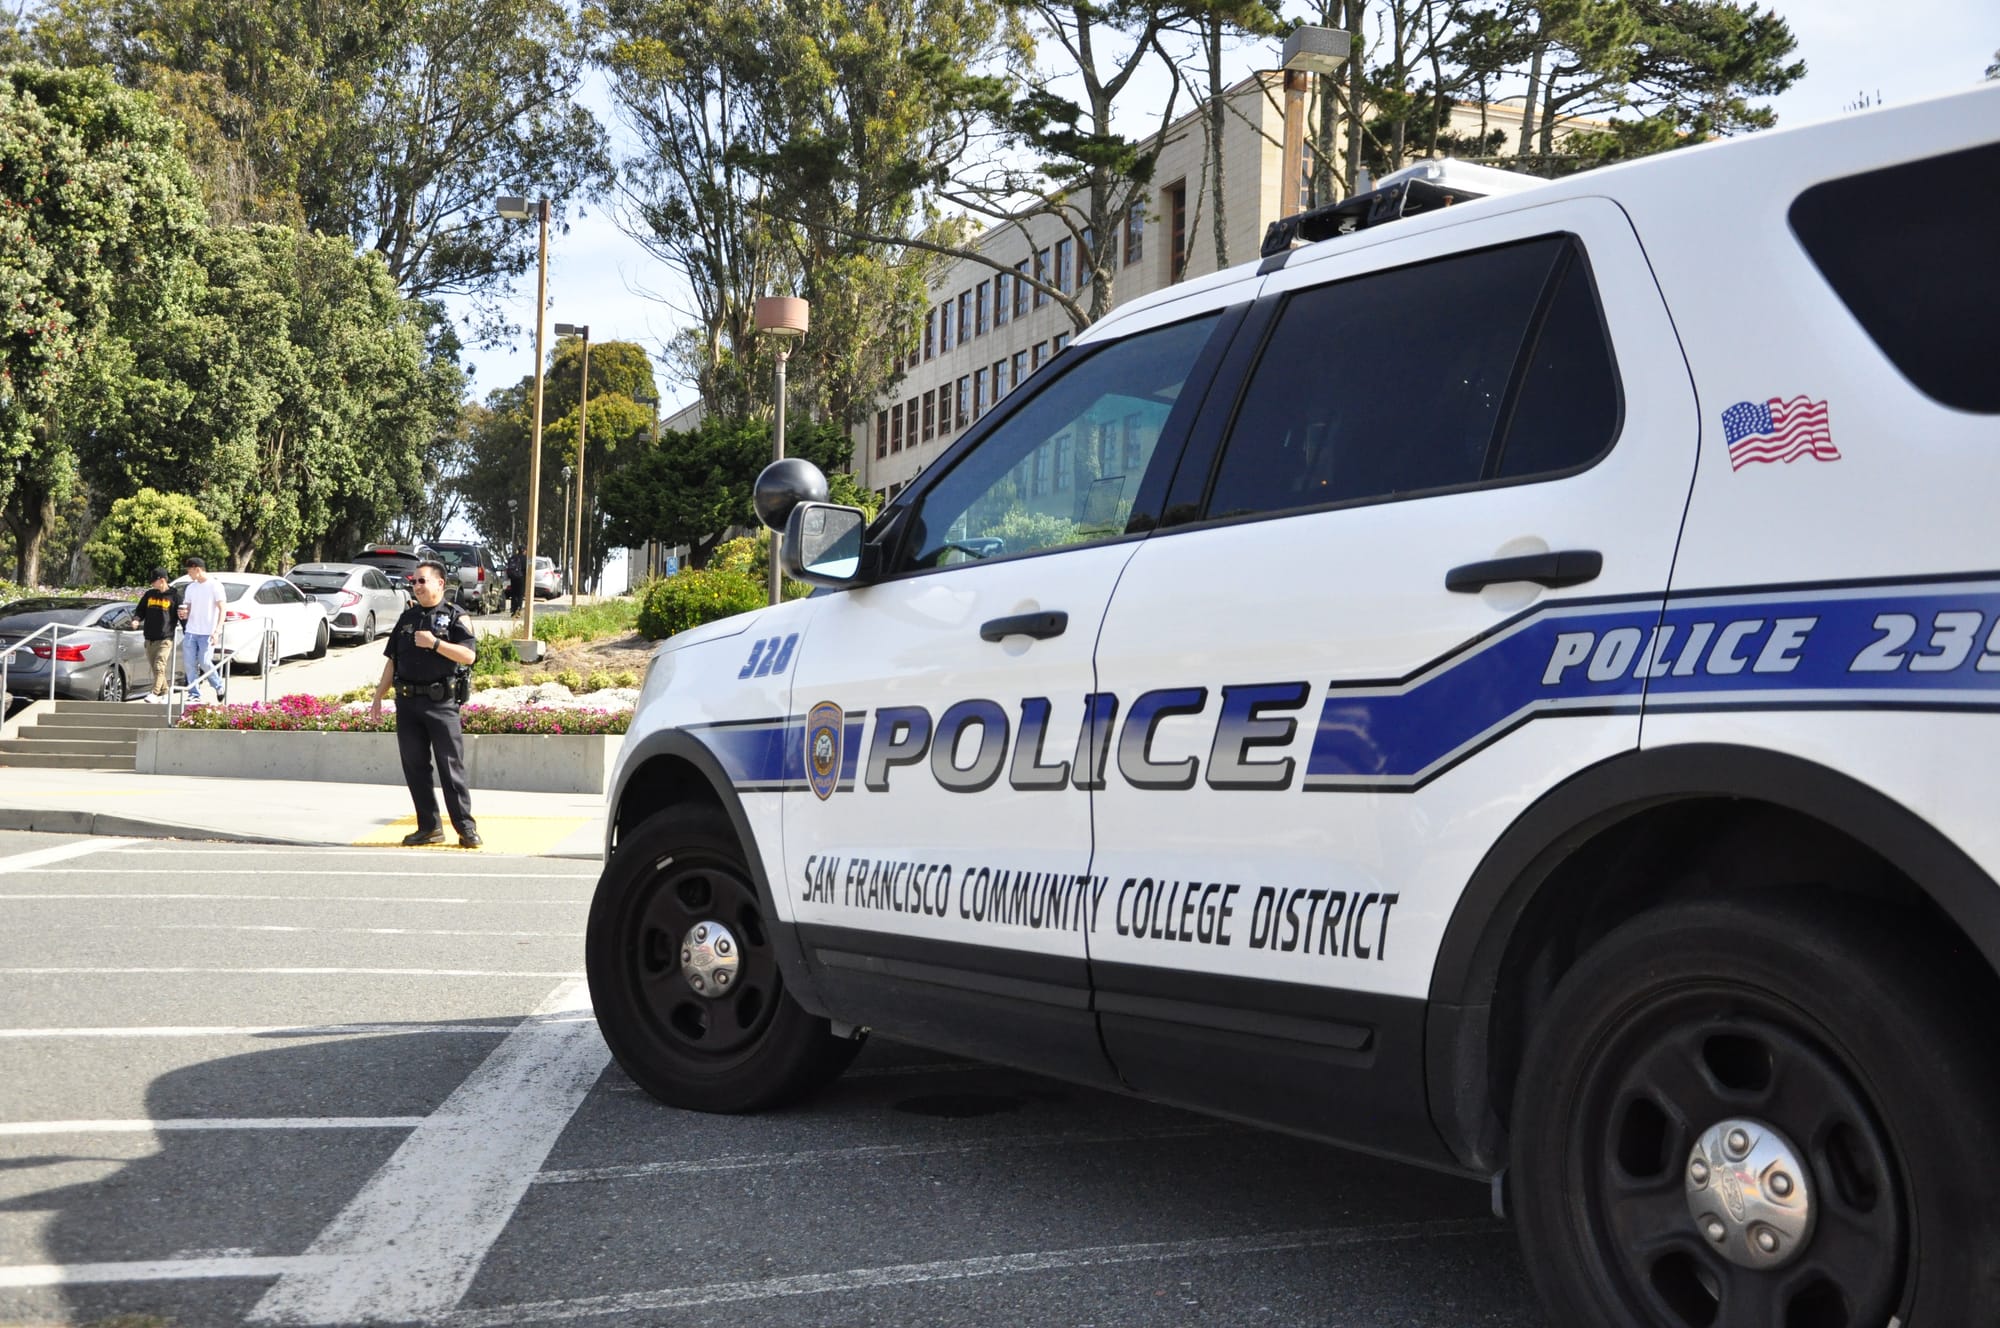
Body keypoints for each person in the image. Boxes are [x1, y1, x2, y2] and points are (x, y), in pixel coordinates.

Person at [370, 558, 480, 848]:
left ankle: (465, 828)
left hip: (441, 704)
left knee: (450, 769)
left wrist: (434, 643)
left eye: (422, 580)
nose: (416, 586)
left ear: (439, 583)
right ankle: (429, 827)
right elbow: (393, 661)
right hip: (407, 705)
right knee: (415, 768)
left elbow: (468, 656)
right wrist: (378, 698)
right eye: (413, 581)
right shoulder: (407, 618)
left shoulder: (456, 616)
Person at [176, 555, 227, 703]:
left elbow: (222, 608)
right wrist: (184, 613)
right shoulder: (191, 587)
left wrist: (217, 630)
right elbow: (188, 607)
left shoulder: (215, 585)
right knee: (189, 663)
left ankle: (218, 685)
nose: (188, 574)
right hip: (192, 630)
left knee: (204, 661)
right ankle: (194, 693)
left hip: (208, 632)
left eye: (190, 571)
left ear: (197, 570)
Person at [135, 568, 179, 702]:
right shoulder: (149, 595)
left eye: (154, 581)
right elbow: (140, 610)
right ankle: (166, 693)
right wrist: (136, 619)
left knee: (159, 666)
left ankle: (154, 693)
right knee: (156, 669)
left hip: (165, 638)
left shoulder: (175, 597)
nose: (152, 584)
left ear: (162, 580)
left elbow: (181, 616)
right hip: (149, 638)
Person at [505, 550, 525, 616]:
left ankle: (513, 609)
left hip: (513, 579)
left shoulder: (512, 558)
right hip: (521, 579)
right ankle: (518, 610)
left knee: (513, 595)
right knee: (520, 595)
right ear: (524, 551)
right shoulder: (525, 558)